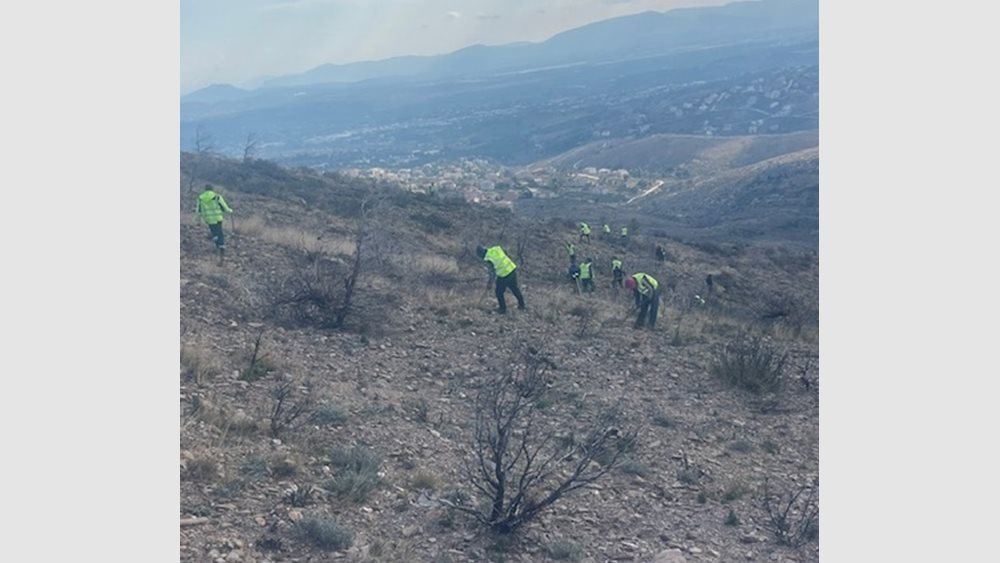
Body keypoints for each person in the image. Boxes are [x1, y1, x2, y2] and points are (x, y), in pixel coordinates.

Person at [477, 245, 526, 314]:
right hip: (511, 269)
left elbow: (492, 273)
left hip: (504, 274)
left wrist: (490, 283)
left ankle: (502, 309)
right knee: (514, 288)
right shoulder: (495, 249)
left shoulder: (488, 259)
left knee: (499, 292)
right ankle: (522, 305)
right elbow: (504, 252)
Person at [196, 185, 233, 257]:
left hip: (208, 219)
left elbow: (198, 210)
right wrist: (230, 211)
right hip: (218, 218)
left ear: (205, 189)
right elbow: (224, 207)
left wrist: (197, 220)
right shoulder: (217, 197)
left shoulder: (200, 198)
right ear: (212, 189)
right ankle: (222, 247)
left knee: (214, 232)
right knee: (219, 232)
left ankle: (217, 245)